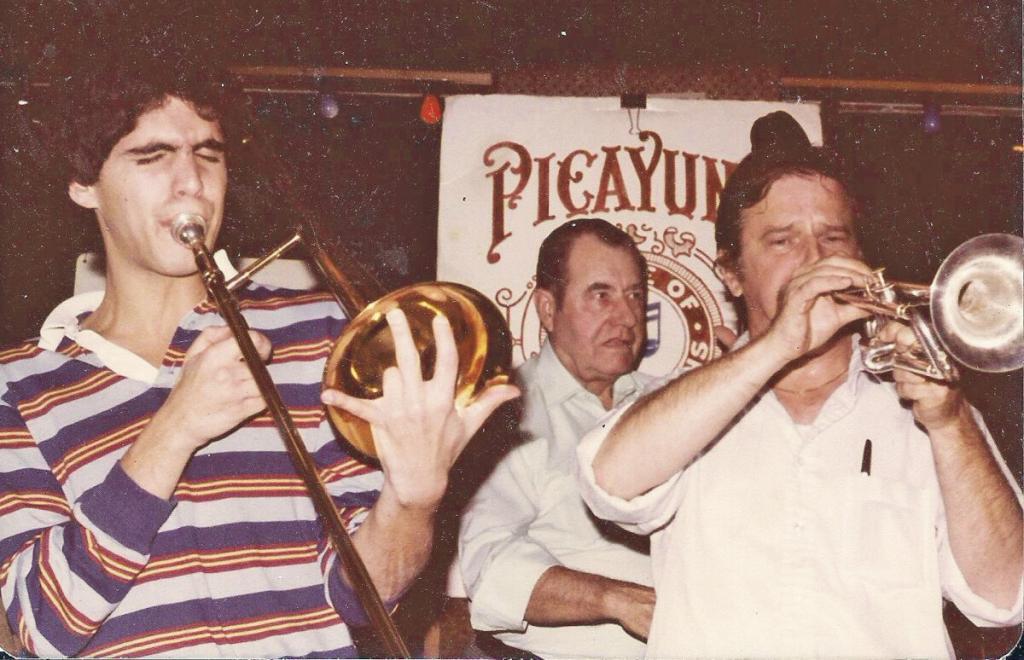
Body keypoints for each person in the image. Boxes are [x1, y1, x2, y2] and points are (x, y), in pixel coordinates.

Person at [0, 56, 517, 658]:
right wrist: (173, 430)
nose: (191, 181)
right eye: (154, 156)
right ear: (84, 184)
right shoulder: (19, 385)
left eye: (209, 154)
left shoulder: (315, 329)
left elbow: (365, 595)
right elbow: (42, 625)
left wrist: (414, 500)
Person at [576, 112, 1023, 658]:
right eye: (782, 241)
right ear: (732, 273)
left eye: (833, 236)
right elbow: (606, 482)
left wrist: (951, 422)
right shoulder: (686, 407)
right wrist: (777, 346)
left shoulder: (936, 409)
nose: (816, 258)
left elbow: (1005, 598)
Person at [455, 219, 656, 658]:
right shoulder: (506, 411)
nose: (626, 317)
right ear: (548, 310)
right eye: (601, 295)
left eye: (635, 295)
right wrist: (615, 600)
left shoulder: (667, 401)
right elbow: (489, 562)